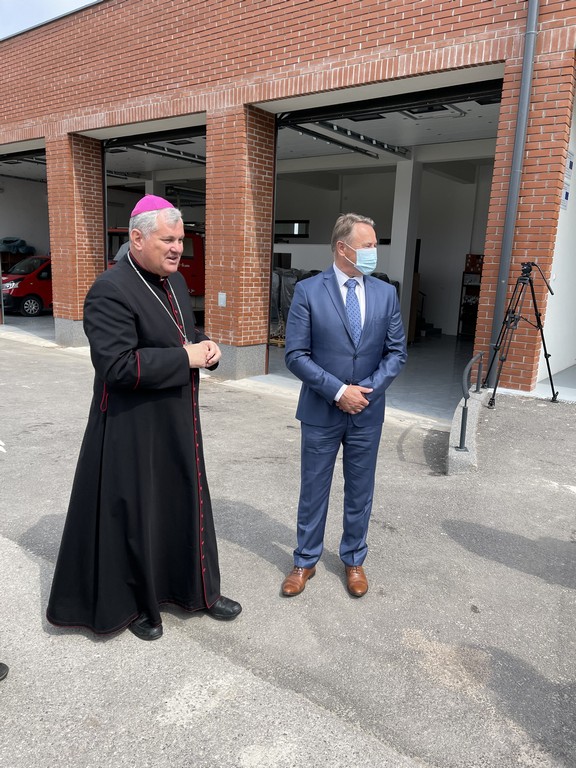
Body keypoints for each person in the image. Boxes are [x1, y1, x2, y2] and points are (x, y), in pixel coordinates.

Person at [47, 194, 241, 641]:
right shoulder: (110, 289)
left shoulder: (174, 281)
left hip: (176, 420)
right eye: (167, 240)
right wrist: (186, 357)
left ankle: (197, 592)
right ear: (137, 238)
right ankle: (136, 605)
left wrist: (204, 347)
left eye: (180, 240)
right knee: (138, 516)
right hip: (131, 426)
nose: (177, 248)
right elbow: (117, 366)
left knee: (183, 504)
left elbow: (179, 335)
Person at [281, 213, 407, 598]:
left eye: (374, 246)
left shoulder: (385, 293)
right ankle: (305, 560)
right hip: (321, 410)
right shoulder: (308, 291)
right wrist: (338, 392)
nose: (374, 252)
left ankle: (354, 559)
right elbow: (295, 354)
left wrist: (364, 392)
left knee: (360, 490)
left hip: (367, 411)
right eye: (367, 246)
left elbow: (396, 353)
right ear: (342, 248)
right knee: (314, 488)